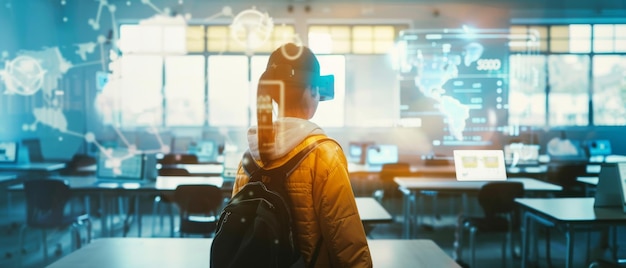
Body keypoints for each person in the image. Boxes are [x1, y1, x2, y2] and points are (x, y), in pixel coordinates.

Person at [231, 43, 373, 267]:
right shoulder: (325, 154)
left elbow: (236, 229)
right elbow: (346, 242)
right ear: (312, 91)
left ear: (275, 96)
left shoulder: (249, 156)